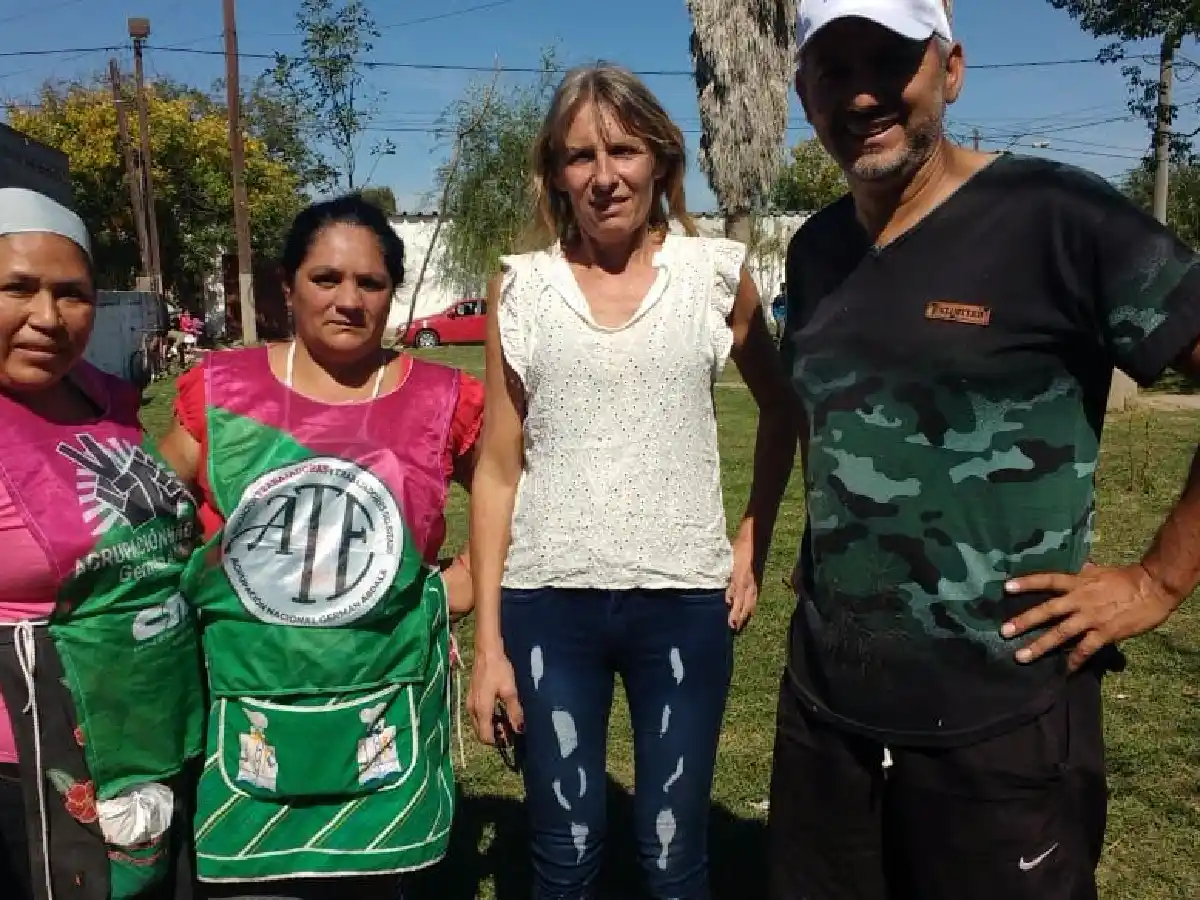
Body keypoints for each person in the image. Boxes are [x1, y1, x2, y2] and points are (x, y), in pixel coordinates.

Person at [766, 2, 1200, 899]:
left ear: (951, 71)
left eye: (890, 61)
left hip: (1003, 721)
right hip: (827, 717)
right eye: (832, 68)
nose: (861, 94)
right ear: (804, 93)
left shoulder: (1055, 217)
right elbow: (826, 416)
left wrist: (1158, 580)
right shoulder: (814, 251)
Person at [466, 63, 798, 899]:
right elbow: (498, 469)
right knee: (565, 852)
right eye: (580, 156)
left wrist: (752, 534)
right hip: (550, 606)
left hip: (683, 605)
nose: (604, 175)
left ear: (659, 159)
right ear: (555, 172)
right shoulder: (521, 286)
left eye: (622, 150)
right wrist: (489, 645)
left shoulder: (716, 274)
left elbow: (782, 409)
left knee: (670, 854)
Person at [158, 194, 483, 899]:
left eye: (370, 283)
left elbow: (513, 499)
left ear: (393, 294)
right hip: (248, 716)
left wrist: (464, 582)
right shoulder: (222, 392)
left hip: (386, 719)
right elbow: (141, 515)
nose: (349, 300)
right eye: (326, 279)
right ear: (288, 285)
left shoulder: (441, 397)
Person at [0, 187, 203, 900]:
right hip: (27, 765)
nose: (47, 319)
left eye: (72, 293)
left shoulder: (104, 398)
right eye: (17, 289)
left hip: (151, 723)